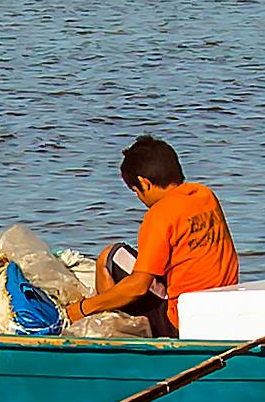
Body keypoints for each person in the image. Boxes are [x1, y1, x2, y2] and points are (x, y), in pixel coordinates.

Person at [49, 135, 238, 337]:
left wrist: (81, 309)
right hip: (220, 307)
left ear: (144, 183)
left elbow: (138, 287)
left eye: (136, 191)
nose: (139, 198)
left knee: (111, 256)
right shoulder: (205, 195)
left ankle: (110, 325)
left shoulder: (160, 214)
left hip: (179, 322)